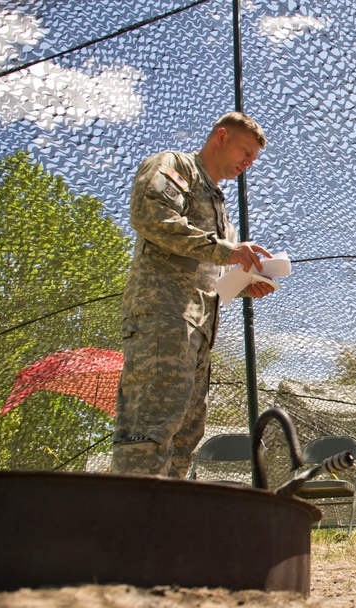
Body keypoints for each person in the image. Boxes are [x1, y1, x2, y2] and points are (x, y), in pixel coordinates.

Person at [111, 111, 276, 478]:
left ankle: (167, 526)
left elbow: (212, 271)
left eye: (253, 159)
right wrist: (226, 251)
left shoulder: (221, 210)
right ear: (222, 136)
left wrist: (244, 285)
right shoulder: (175, 167)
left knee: (186, 434)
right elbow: (151, 216)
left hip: (199, 333)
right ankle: (128, 525)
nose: (248, 163)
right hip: (163, 318)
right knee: (149, 427)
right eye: (245, 152)